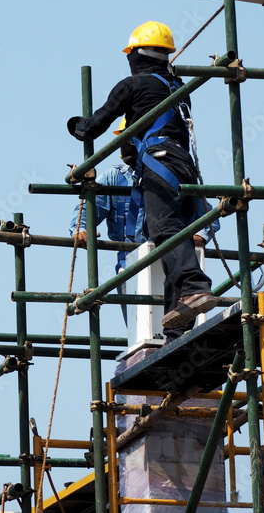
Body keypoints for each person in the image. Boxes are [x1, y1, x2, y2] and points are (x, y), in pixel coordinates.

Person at [67, 21, 218, 341]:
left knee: (164, 229)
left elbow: (93, 126)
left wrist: (76, 126)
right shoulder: (177, 88)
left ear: (135, 55)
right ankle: (178, 327)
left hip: (159, 162)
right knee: (164, 240)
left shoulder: (133, 85)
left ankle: (194, 286)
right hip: (185, 167)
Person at [69, 121, 146, 325]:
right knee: (140, 336)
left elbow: (203, 210)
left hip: (168, 263)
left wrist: (200, 234)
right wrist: (81, 229)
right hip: (129, 265)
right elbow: (86, 210)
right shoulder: (115, 177)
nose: (125, 144)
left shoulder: (168, 173)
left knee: (173, 331)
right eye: (122, 138)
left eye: (130, 137)